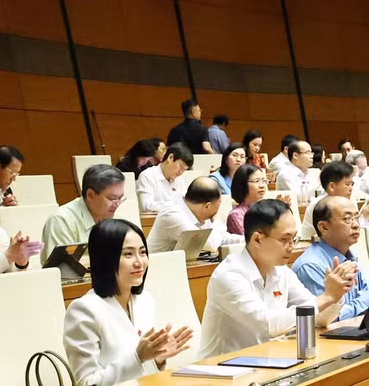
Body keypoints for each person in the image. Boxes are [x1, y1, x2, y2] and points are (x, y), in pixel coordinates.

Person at [199, 199, 357, 358]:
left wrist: (336, 296)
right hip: (224, 370)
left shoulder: (281, 271)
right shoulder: (229, 275)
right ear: (257, 239)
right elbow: (267, 324)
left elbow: (319, 319)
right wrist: (326, 296)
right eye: (284, 239)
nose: (291, 246)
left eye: (294, 239)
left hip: (268, 360)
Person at [63, 219, 192, 386]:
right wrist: (138, 357)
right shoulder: (84, 310)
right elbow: (88, 382)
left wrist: (157, 359)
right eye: (128, 254)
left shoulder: (145, 300)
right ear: (105, 259)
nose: (139, 262)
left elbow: (143, 373)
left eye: (143, 252)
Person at [293, 196, 369, 321]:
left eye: (356, 217)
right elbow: (331, 319)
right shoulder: (310, 265)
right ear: (323, 227)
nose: (356, 225)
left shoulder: (349, 256)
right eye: (347, 219)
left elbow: (365, 297)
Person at [42, 164, 126, 258]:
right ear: (90, 195)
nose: (117, 204)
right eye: (112, 198)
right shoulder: (61, 220)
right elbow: (63, 268)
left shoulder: (115, 218)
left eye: (121, 198)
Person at [146, 177, 243, 253]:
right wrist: (218, 222)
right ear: (207, 206)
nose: (219, 210)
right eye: (219, 204)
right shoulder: (172, 214)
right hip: (155, 270)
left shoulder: (201, 212)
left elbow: (220, 238)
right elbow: (211, 245)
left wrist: (248, 240)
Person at [299, 161, 369, 239]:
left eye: (352, 184)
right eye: (347, 184)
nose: (351, 188)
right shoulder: (318, 205)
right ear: (332, 186)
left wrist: (363, 216)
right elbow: (340, 233)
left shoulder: (349, 201)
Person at [137, 143, 193, 213]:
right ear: (170, 157)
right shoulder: (147, 176)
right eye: (181, 166)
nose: (181, 172)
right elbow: (146, 206)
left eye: (184, 169)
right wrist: (174, 207)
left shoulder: (179, 180)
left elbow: (185, 204)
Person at [0, 145, 24, 220]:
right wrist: (1, 211)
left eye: (16, 174)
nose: (14, 179)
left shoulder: (8, 190)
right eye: (12, 173)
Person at [227, 165, 267, 235]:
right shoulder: (236, 215)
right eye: (257, 181)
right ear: (243, 184)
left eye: (264, 181)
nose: (262, 185)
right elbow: (251, 242)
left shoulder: (267, 209)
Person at [276, 141, 320, 205]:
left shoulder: (314, 173)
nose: (311, 156)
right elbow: (301, 199)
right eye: (308, 152)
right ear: (295, 156)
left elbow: (320, 194)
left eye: (311, 153)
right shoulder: (285, 174)